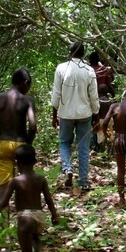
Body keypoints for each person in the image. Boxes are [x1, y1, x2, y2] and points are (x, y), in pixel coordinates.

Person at [0, 144, 59, 252]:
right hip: (39, 216)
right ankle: (39, 250)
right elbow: (49, 199)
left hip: (24, 217)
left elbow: (4, 201)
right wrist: (54, 215)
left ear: (17, 163)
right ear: (35, 161)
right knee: (33, 235)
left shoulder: (15, 181)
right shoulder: (41, 179)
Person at [51, 41, 100, 194]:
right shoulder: (89, 70)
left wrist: (54, 114)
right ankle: (84, 181)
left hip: (65, 114)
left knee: (65, 142)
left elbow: (56, 94)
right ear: (83, 54)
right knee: (83, 147)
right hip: (85, 114)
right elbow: (94, 96)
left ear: (69, 52)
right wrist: (96, 115)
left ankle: (68, 168)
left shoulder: (61, 68)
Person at [0, 68, 36, 201]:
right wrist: (27, 145)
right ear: (25, 82)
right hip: (21, 146)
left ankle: (4, 221)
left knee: (4, 188)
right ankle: (25, 218)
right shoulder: (27, 100)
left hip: (3, 144)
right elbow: (32, 127)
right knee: (25, 185)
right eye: (29, 85)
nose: (29, 89)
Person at [98, 89, 126, 206]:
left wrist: (106, 133)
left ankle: (121, 198)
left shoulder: (113, 106)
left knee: (120, 170)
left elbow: (105, 122)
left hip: (118, 140)